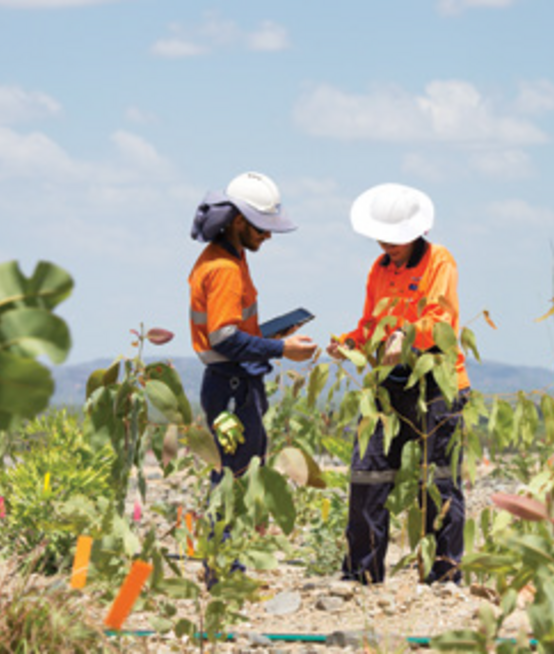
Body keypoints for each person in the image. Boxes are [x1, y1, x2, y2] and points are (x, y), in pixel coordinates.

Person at [327, 182, 472, 585]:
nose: (386, 244)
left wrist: (406, 334)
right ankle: (362, 572)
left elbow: (440, 322)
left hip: (438, 384)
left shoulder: (440, 261)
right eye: (381, 236)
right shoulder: (379, 268)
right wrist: (350, 343)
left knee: (439, 479)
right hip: (388, 387)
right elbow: (370, 324)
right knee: (367, 471)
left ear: (415, 232)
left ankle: (443, 576)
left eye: (395, 238)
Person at [189, 171, 317, 483]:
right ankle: (225, 534)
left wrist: (268, 336)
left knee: (244, 470)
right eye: (262, 228)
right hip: (231, 385)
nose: (268, 236)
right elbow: (224, 339)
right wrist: (282, 348)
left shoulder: (231, 258)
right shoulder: (224, 269)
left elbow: (230, 330)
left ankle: (234, 531)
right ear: (238, 222)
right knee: (236, 475)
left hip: (233, 382)